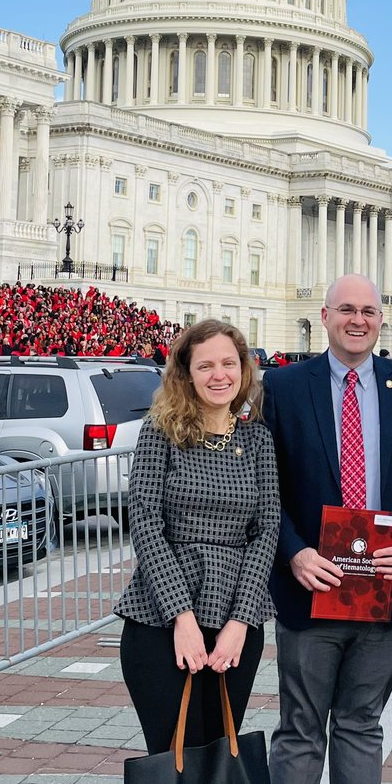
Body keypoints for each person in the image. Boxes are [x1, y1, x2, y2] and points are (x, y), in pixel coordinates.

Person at [262, 274, 392, 784]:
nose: (358, 320)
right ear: (324, 316)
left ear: (381, 317)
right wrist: (294, 553)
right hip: (311, 585)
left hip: (384, 587)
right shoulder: (285, 387)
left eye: (368, 310)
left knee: (361, 725)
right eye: (346, 309)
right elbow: (266, 488)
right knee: (299, 731)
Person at [115, 319, 280, 755]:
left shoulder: (258, 440)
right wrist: (181, 619)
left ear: (244, 371)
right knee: (173, 762)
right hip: (160, 620)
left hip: (235, 622)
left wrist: (240, 622)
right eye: (205, 365)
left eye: (229, 363)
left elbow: (266, 531)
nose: (219, 374)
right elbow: (146, 524)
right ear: (186, 374)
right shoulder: (159, 433)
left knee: (218, 761)